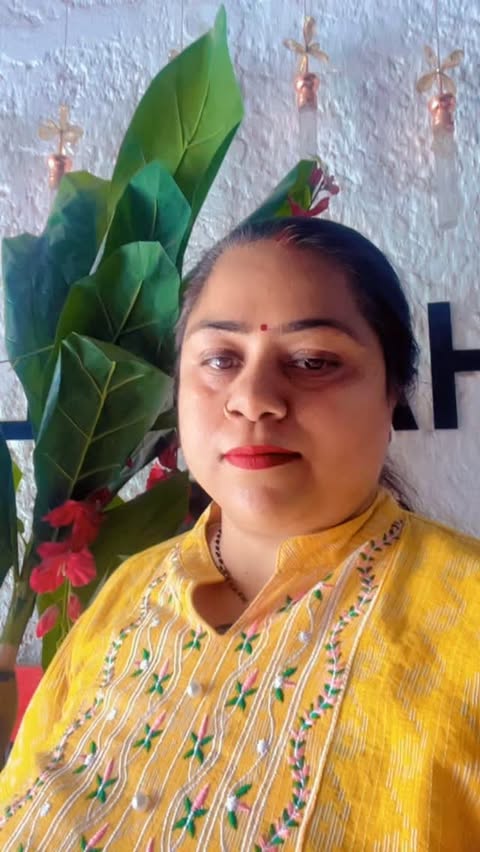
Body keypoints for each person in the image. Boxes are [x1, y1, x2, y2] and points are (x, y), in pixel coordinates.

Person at [0, 218, 479, 851]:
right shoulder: (126, 592)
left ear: (394, 392)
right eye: (221, 359)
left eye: (312, 361)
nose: (252, 399)